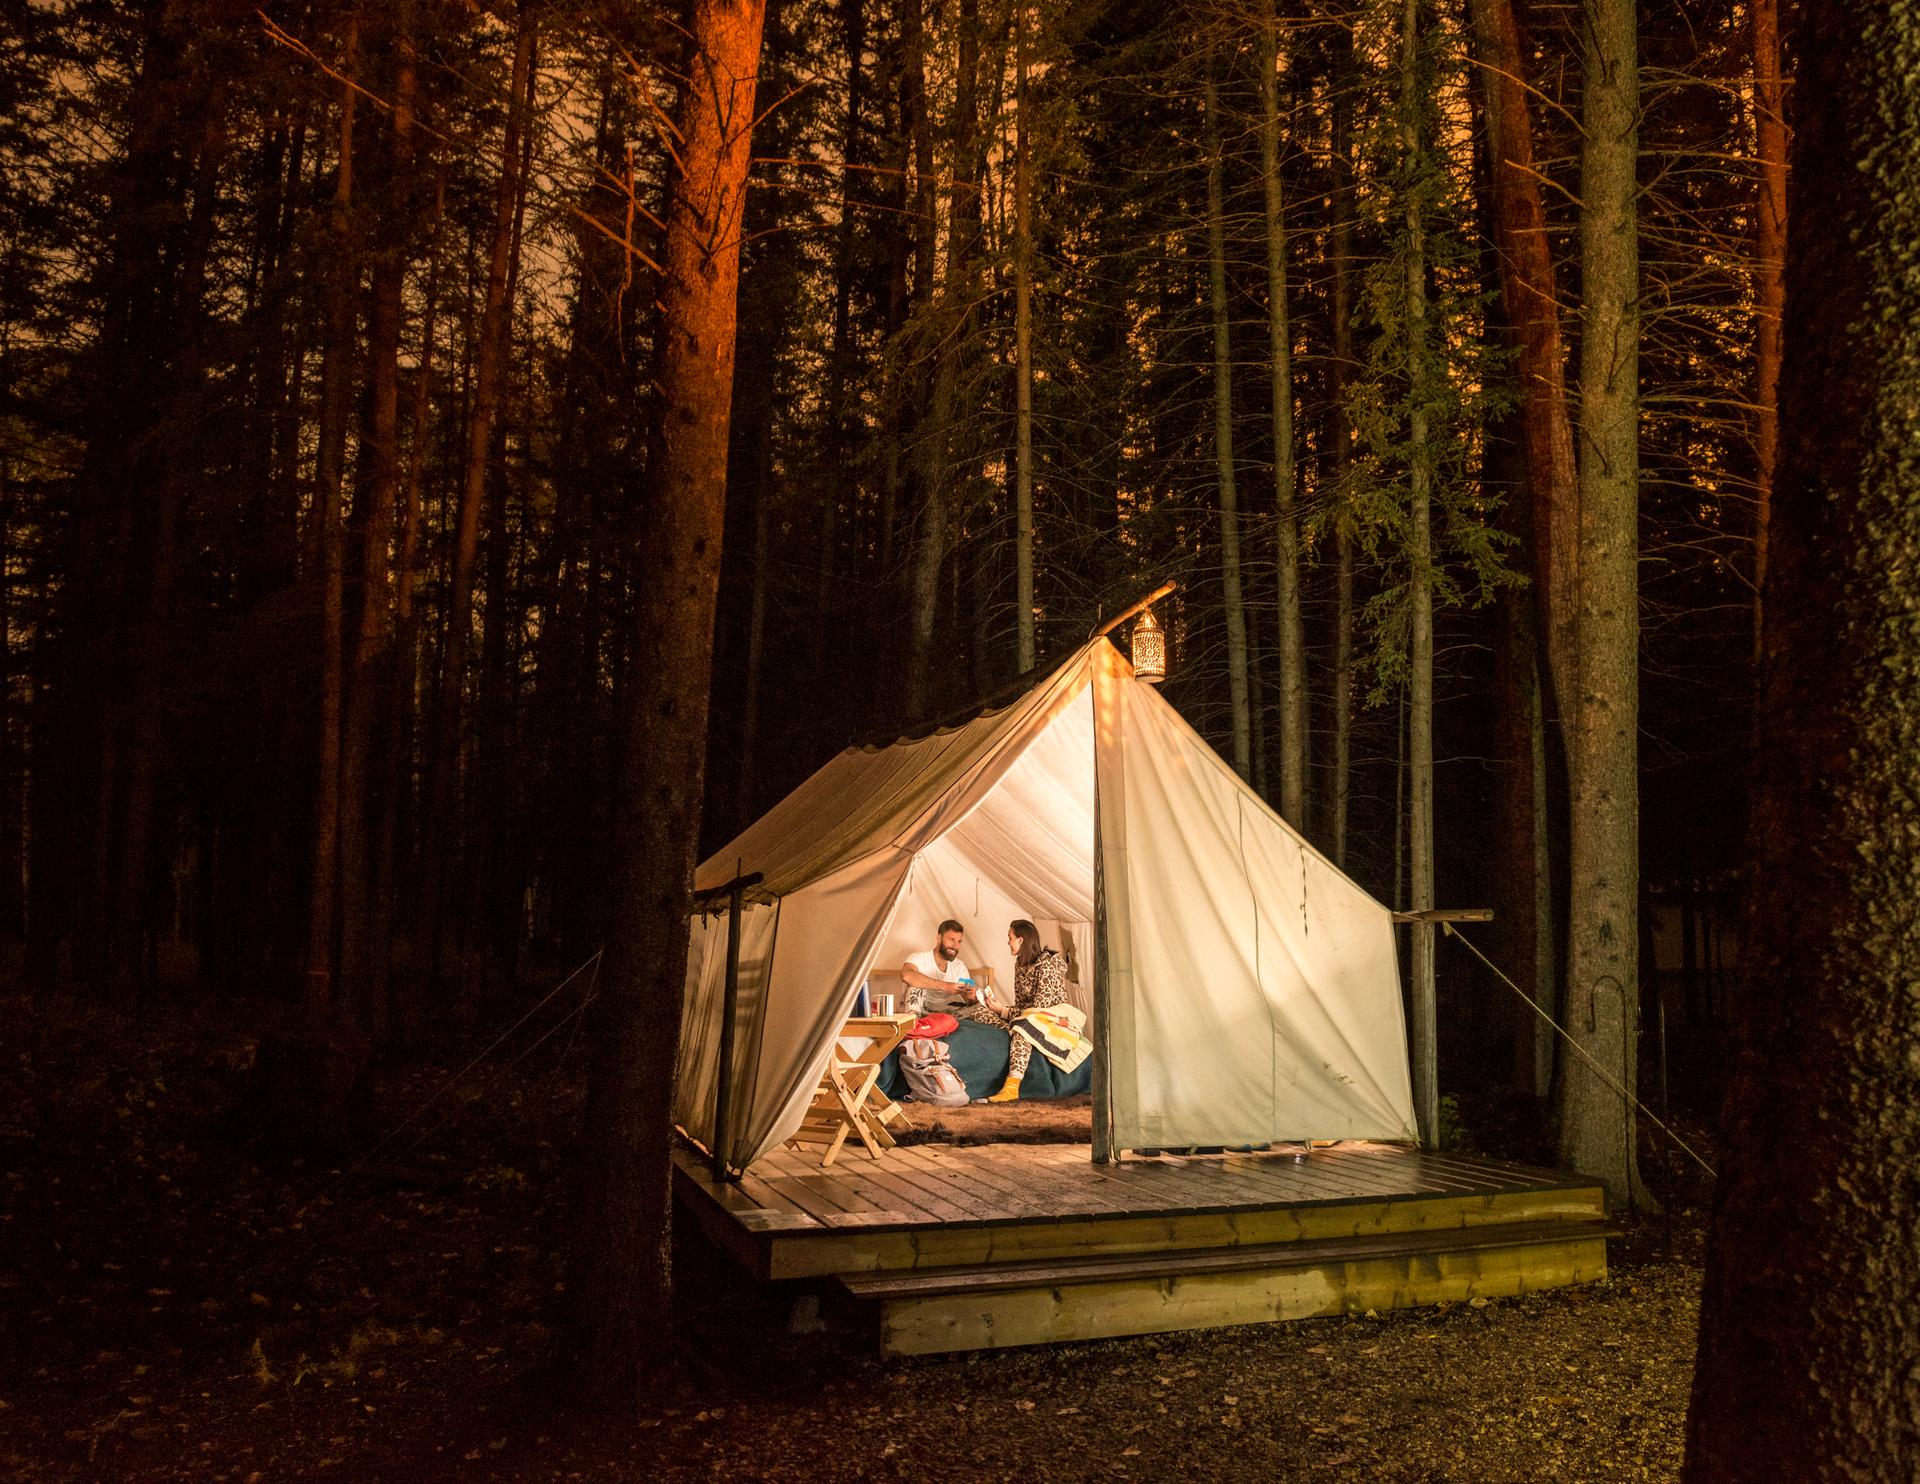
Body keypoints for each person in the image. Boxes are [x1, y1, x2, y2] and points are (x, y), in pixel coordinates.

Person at [963, 919, 1070, 1103]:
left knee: (1023, 1027)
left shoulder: (1047, 966)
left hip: (1051, 1018)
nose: (1007, 942)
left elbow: (1038, 1010)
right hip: (1028, 1017)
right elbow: (1021, 1004)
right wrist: (998, 1008)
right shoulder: (1019, 965)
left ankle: (1012, 1086)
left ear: (1021, 940)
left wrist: (1004, 1011)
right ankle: (1014, 1030)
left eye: (1010, 937)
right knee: (979, 1012)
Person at [898, 919, 979, 1016]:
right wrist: (945, 986)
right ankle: (914, 1023)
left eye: (959, 941)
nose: (955, 946)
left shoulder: (959, 967)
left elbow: (969, 1001)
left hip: (942, 1011)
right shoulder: (918, 958)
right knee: (914, 987)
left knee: (980, 1008)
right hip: (918, 1009)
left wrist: (972, 997)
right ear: (939, 938)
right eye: (951, 940)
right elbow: (906, 975)